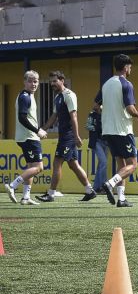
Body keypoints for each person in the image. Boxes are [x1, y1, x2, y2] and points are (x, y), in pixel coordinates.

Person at [35, 71, 96, 202]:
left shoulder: (69, 95)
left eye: (54, 81)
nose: (52, 84)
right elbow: (54, 117)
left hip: (68, 136)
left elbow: (74, 117)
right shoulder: (58, 97)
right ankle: (90, 191)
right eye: (51, 81)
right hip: (64, 136)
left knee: (57, 162)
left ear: (62, 80)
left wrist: (76, 136)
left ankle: (51, 194)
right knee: (73, 165)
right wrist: (41, 129)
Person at [95, 54, 138, 207]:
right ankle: (110, 183)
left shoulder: (106, 84)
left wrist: (109, 111)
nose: (130, 69)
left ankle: (121, 199)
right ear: (126, 67)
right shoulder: (126, 84)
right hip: (122, 130)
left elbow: (96, 106)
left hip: (108, 130)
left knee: (121, 164)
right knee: (132, 165)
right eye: (130, 67)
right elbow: (130, 108)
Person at [4, 70, 48, 205]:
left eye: (36, 81)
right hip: (29, 137)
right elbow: (22, 118)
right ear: (24, 82)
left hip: (27, 137)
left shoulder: (28, 95)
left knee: (31, 167)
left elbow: (29, 118)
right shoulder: (25, 97)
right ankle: (12, 185)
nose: (33, 84)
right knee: (39, 167)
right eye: (30, 81)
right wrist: (37, 131)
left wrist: (38, 129)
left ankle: (26, 197)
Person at [85, 106, 108, 193]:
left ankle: (96, 187)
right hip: (96, 141)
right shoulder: (92, 115)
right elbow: (87, 126)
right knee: (104, 162)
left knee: (101, 164)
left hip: (106, 141)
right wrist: (96, 127)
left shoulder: (106, 113)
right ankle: (103, 186)